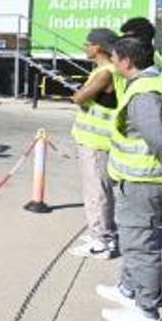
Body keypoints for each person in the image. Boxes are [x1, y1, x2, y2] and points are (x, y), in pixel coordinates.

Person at [97, 37, 162, 321]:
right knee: (133, 236)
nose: (112, 65)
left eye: (114, 59)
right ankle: (129, 289)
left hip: (145, 180)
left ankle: (147, 311)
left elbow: (158, 139)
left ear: (127, 61)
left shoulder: (144, 92)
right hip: (152, 179)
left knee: (140, 244)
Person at [69, 28, 120, 259]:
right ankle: (98, 233)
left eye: (88, 43)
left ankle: (103, 241)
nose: (85, 47)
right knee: (96, 191)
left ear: (98, 47)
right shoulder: (106, 71)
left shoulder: (106, 73)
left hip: (97, 143)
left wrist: (80, 95)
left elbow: (79, 97)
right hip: (93, 141)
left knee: (97, 192)